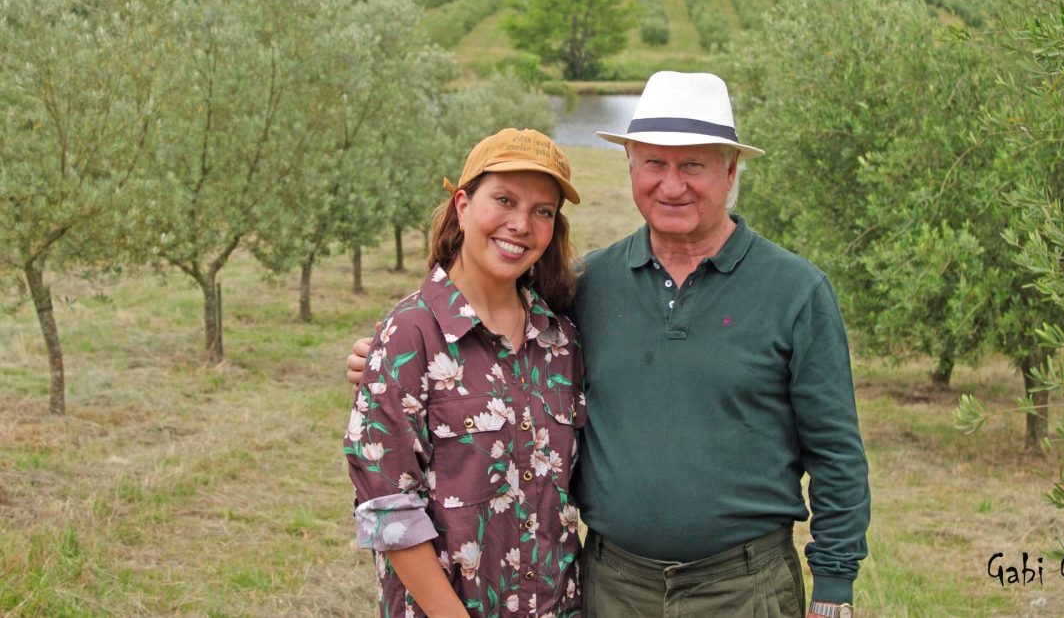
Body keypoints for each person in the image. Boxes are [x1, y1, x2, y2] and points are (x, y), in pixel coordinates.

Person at [347, 73, 870, 618]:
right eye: (654, 163)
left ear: (730, 170)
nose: (672, 185)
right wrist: (387, 361)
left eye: (693, 164)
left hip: (742, 590)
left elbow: (836, 454)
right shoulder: (586, 287)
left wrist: (833, 589)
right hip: (611, 587)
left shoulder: (795, 291)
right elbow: (479, 342)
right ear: (630, 167)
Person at [344, 128, 586, 618]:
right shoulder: (409, 336)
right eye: (504, 199)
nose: (521, 224)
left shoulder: (560, 341)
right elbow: (388, 508)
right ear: (462, 204)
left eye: (543, 211)